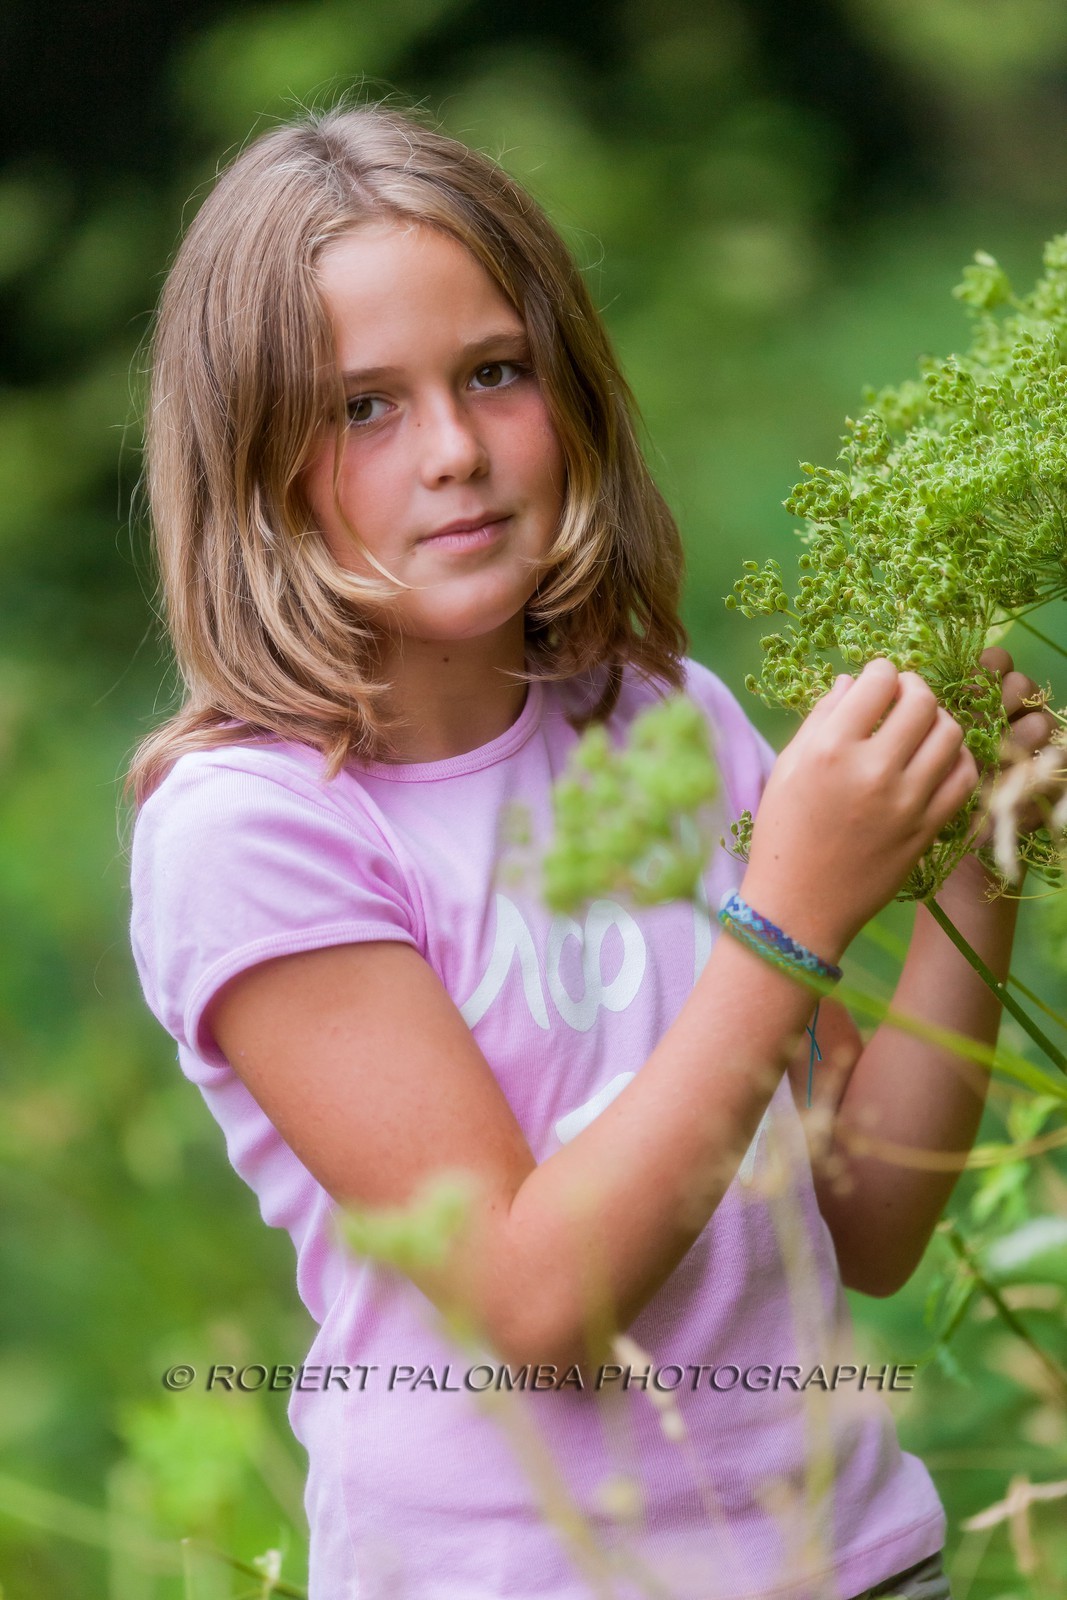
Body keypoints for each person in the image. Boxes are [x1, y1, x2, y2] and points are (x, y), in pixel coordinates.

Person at [126, 102, 1054, 1600]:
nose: (454, 451)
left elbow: (869, 1219)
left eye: (496, 372)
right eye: (363, 407)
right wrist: (790, 916)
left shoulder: (659, 717)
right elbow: (538, 1305)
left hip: (857, 1558)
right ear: (247, 460)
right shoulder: (255, 829)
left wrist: (978, 850)